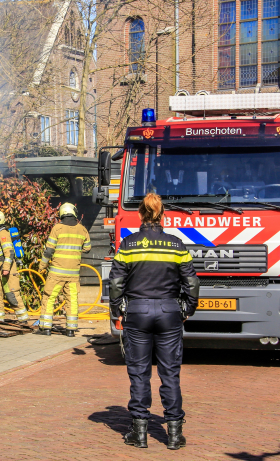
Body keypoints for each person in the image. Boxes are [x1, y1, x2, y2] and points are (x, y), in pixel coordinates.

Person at [108, 193, 199, 450]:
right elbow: (192, 282)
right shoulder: (176, 245)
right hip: (170, 312)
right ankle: (174, 433)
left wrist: (117, 310)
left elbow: (116, 283)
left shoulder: (128, 245)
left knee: (139, 372)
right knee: (170, 371)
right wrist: (187, 308)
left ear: (140, 215)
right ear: (162, 215)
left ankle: (139, 432)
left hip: (137, 312)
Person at [36, 203, 91, 337]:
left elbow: (49, 251)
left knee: (49, 298)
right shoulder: (82, 229)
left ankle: (45, 328)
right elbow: (87, 248)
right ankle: (71, 330)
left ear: (61, 213)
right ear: (74, 213)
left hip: (56, 274)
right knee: (72, 300)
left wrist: (41, 266)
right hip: (73, 275)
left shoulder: (57, 228)